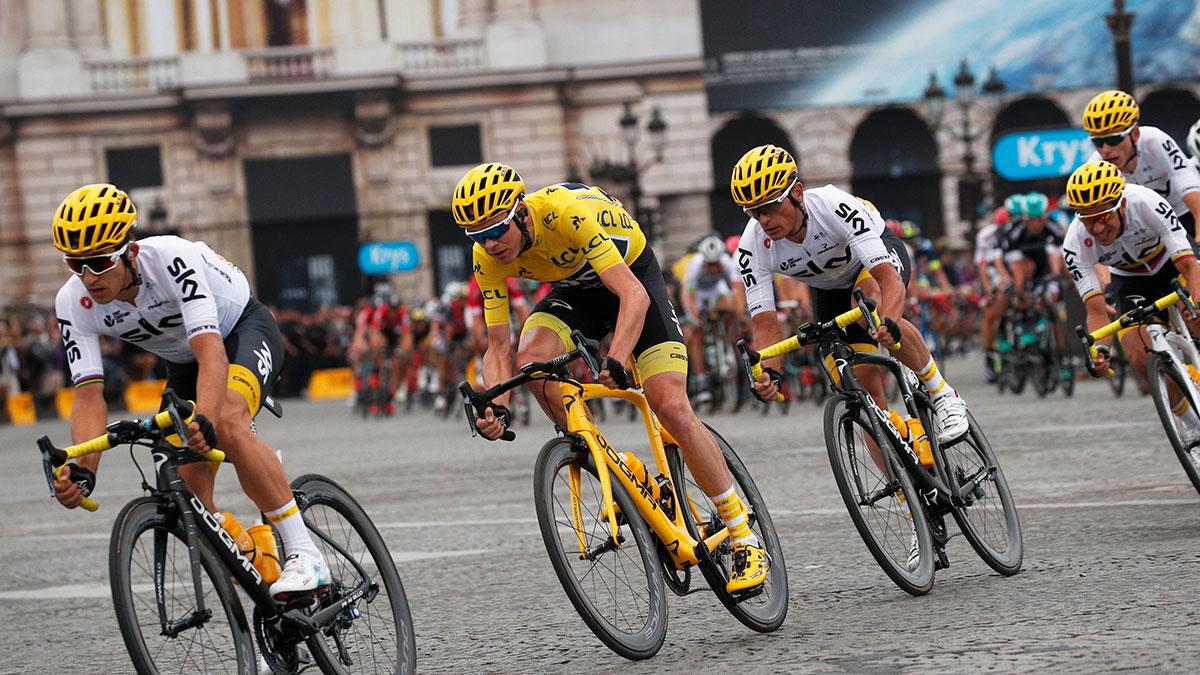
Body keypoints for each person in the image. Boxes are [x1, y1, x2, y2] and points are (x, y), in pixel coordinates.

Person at [453, 163, 769, 593]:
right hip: (577, 293)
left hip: (633, 279)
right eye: (478, 237)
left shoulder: (566, 213)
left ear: (522, 212)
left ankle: (743, 535)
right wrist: (499, 406)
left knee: (670, 405)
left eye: (497, 229)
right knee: (533, 364)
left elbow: (633, 296)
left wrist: (618, 357)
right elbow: (498, 346)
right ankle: (618, 470)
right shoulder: (486, 256)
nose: (490, 243)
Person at [49, 183, 328, 600]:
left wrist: (208, 419)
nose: (89, 277)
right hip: (183, 364)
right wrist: (84, 470)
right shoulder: (73, 302)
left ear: (130, 250)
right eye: (76, 264)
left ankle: (307, 555)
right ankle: (264, 571)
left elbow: (211, 352)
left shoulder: (172, 259)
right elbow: (89, 394)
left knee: (229, 420)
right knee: (191, 500)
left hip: (239, 332)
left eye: (100, 262)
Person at [730, 145, 969, 444]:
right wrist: (769, 375)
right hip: (828, 288)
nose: (764, 219)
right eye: (755, 211)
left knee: (869, 301)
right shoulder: (752, 247)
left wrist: (889, 322)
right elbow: (765, 324)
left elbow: (888, 279)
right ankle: (903, 485)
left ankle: (943, 394)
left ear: (798, 193)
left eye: (772, 206)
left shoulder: (832, 205)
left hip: (873, 262)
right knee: (864, 399)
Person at [1065, 161, 1200, 445]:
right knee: (1139, 357)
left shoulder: (1146, 202)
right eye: (1089, 221)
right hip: (1130, 280)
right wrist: (1100, 350)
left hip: (1171, 264)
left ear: (1122, 205)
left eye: (1104, 217)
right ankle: (1193, 427)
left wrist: (1195, 302)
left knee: (1196, 315)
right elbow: (1097, 310)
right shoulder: (1075, 243)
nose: (1099, 228)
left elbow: (1188, 265)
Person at [1082, 90, 1200, 237]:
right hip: (1146, 231)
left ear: (1135, 133)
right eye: (1098, 142)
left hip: (1182, 213)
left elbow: (1188, 182)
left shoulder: (1154, 140)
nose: (1105, 150)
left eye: (1113, 140)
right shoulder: (1096, 168)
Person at [680, 235, 746, 400]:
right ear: (704, 261)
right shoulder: (694, 265)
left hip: (716, 290)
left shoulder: (727, 263)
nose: (714, 268)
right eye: (710, 264)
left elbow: (737, 290)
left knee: (730, 307)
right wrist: (695, 318)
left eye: (716, 264)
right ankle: (702, 381)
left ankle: (725, 339)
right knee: (696, 334)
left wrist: (739, 313)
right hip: (697, 294)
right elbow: (690, 297)